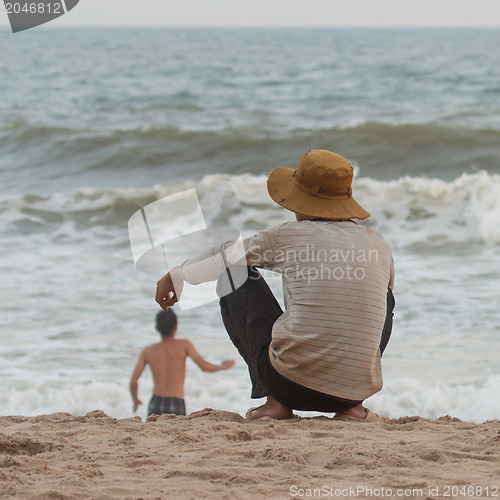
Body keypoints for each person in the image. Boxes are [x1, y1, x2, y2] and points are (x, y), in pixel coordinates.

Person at [156, 149, 395, 421]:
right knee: (384, 297)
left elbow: (226, 256)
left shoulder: (287, 235)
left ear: (299, 201)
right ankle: (352, 406)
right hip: (353, 391)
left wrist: (177, 275)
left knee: (233, 274)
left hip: (289, 385)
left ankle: (274, 402)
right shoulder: (379, 244)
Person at [130, 309, 235, 416]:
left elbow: (133, 382)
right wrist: (223, 366)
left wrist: (136, 401)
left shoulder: (148, 350)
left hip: (156, 402)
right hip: (176, 402)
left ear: (157, 328)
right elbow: (204, 366)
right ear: (176, 327)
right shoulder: (184, 345)